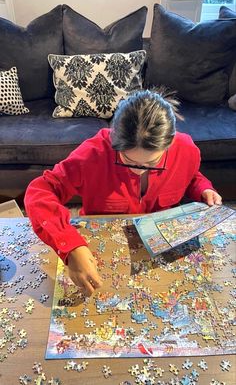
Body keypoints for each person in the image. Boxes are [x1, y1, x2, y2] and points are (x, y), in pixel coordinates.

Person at [24, 89, 222, 296]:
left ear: (170, 143)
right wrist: (69, 245)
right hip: (101, 249)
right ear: (114, 140)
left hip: (162, 244)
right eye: (128, 160)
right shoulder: (92, 154)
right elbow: (40, 190)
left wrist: (203, 189)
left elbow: (190, 176)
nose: (139, 170)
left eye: (152, 163)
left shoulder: (186, 149)